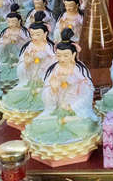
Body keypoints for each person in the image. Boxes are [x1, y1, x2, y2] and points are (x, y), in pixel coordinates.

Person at [23, 30, 101, 165]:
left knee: (85, 128)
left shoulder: (80, 70)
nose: (62, 59)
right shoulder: (53, 70)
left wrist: (72, 106)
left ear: (74, 55)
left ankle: (68, 123)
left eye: (66, 55)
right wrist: (52, 90)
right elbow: (46, 93)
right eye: (59, 55)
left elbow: (88, 93)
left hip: (77, 112)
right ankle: (57, 131)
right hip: (56, 109)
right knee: (37, 125)